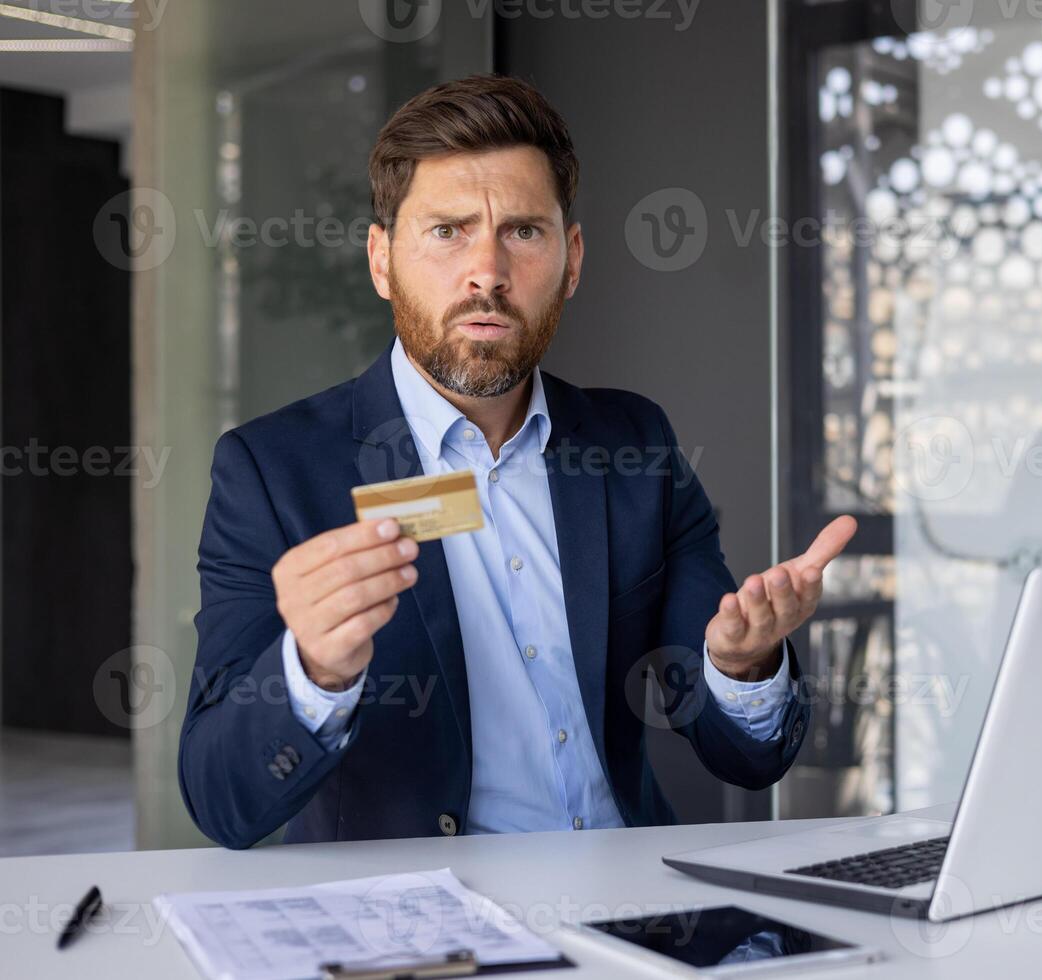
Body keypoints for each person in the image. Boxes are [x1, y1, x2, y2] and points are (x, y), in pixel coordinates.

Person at [179, 74, 856, 849]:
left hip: (628, 915)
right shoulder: (272, 473)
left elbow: (746, 756)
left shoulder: (633, 445)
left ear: (571, 260)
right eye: (447, 231)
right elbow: (219, 801)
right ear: (380, 260)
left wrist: (743, 666)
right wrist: (312, 672)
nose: (487, 272)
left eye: (523, 232)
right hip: (419, 935)